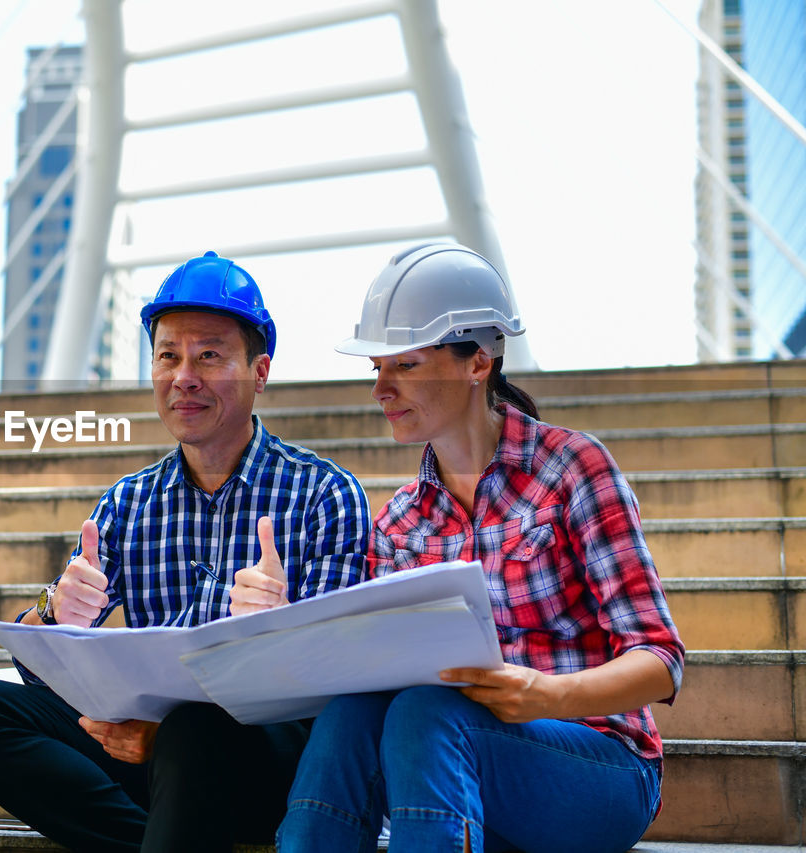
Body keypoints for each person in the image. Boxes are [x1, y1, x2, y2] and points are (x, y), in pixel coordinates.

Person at [0, 251, 371, 853]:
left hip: (266, 762)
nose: (183, 376)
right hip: (147, 755)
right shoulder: (128, 503)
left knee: (194, 728)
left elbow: (342, 685)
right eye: (168, 355)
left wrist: (281, 629)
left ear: (260, 370)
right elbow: (41, 673)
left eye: (209, 355)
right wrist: (54, 615)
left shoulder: (326, 494)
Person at [268, 243, 686, 853]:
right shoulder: (398, 523)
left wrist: (549, 694)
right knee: (351, 714)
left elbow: (661, 659)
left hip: (595, 764)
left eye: (405, 366)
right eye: (376, 369)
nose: (381, 389)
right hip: (446, 764)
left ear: (477, 363)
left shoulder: (573, 469)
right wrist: (284, 621)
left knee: (425, 714)